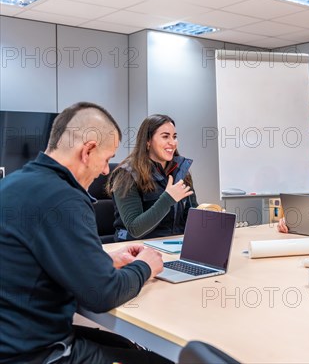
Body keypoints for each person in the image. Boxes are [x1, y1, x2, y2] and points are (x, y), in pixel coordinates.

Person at [0, 102, 170, 363]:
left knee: (120, 343)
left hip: (14, 338)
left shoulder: (13, 184)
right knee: (158, 359)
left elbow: (38, 259)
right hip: (37, 354)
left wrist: (106, 260)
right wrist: (145, 267)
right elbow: (101, 294)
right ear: (88, 150)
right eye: (106, 160)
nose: (105, 171)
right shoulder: (64, 199)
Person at [108, 114, 198, 241]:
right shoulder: (126, 175)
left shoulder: (181, 171)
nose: (172, 143)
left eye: (174, 137)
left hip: (174, 245)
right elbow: (135, 229)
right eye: (165, 136)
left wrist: (209, 217)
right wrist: (168, 198)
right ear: (148, 141)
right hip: (136, 248)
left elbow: (191, 215)